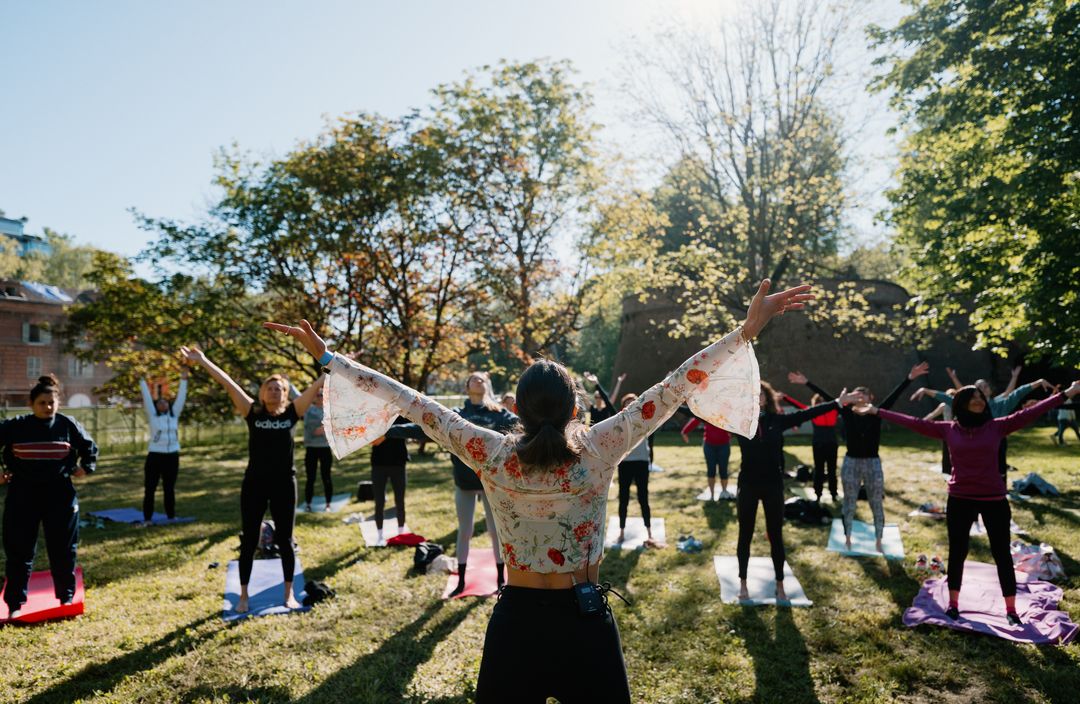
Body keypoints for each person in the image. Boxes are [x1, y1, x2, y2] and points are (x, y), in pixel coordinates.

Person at [266, 278, 810, 702]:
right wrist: (744, 334)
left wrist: (330, 358)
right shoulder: (600, 446)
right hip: (586, 622)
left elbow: (414, 403)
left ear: (516, 409)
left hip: (517, 626)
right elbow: (670, 391)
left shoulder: (491, 452)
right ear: (575, 409)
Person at [857, 381, 1080, 625]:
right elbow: (914, 423)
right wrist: (877, 411)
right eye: (973, 397)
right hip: (960, 499)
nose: (979, 400)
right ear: (962, 403)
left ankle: (1011, 609)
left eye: (981, 397)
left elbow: (1031, 412)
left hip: (994, 499)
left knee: (1001, 554)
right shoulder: (949, 429)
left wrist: (1068, 393)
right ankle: (953, 604)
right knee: (958, 552)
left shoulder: (997, 426)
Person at [180, 346, 324, 613]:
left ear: (285, 394)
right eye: (269, 387)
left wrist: (337, 365)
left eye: (279, 388)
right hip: (255, 484)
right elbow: (228, 383)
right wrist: (202, 361)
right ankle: (244, 596)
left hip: (284, 484)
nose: (274, 391)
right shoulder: (252, 412)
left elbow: (317, 384)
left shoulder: (293, 412)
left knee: (286, 540)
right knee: (248, 540)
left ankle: (288, 593)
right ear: (261, 393)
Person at [735, 382, 859, 602]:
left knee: (775, 535)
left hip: (773, 485)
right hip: (748, 485)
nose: (757, 397)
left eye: (760, 394)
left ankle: (780, 584)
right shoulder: (739, 422)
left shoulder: (777, 421)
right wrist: (679, 402)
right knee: (745, 533)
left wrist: (837, 403)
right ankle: (743, 583)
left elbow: (808, 413)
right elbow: (707, 416)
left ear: (767, 398)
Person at [789, 361, 929, 553]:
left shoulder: (876, 413)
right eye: (856, 394)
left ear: (871, 398)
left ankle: (879, 539)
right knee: (849, 502)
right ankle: (847, 537)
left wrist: (909, 378)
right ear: (851, 399)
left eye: (863, 394)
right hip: (851, 462)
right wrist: (807, 382)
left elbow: (894, 396)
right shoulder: (846, 413)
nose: (860, 397)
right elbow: (828, 398)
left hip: (872, 463)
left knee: (876, 503)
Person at [0, 375, 98, 618]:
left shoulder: (67, 424)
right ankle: (14, 604)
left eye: (51, 402)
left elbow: (89, 446)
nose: (48, 407)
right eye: (42, 403)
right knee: (19, 551)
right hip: (23, 494)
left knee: (63, 549)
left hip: (60, 494)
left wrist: (86, 466)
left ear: (58, 403)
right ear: (32, 403)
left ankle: (66, 599)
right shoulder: (17, 425)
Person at [920, 372, 1051, 478]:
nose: (983, 389)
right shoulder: (969, 405)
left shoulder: (1000, 404)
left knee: (999, 472)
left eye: (985, 386)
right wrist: (926, 390)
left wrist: (1038, 382)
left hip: (997, 443)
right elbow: (947, 398)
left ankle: (1000, 492)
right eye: (979, 387)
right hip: (975, 444)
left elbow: (1018, 393)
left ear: (989, 390)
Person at [138, 368, 188, 524]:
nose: (162, 403)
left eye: (165, 401)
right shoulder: (153, 416)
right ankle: (147, 519)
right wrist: (141, 379)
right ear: (156, 406)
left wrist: (184, 379)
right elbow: (146, 398)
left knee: (169, 488)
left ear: (168, 405)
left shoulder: (174, 415)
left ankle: (171, 516)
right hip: (155, 456)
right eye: (159, 402)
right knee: (150, 489)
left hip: (172, 456)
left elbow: (181, 397)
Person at [780, 390, 839, 502]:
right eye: (819, 402)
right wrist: (786, 397)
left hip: (826, 443)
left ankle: (828, 493)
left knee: (826, 469)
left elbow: (797, 405)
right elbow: (798, 405)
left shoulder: (828, 411)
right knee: (824, 469)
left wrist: (786, 397)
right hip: (824, 443)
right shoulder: (818, 411)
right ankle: (824, 493)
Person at [614, 393, 657, 545]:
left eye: (634, 402)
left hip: (641, 463)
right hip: (625, 463)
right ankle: (621, 531)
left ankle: (649, 532)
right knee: (623, 498)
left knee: (643, 498)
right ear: (623, 407)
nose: (631, 405)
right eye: (628, 403)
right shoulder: (620, 421)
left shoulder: (646, 420)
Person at [369, 416, 411, 541]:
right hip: (379, 464)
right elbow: (372, 439)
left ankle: (401, 532)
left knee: (400, 500)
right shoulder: (376, 415)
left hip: (398, 463)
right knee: (379, 501)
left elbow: (410, 430)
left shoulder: (402, 416)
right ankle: (379, 534)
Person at [681, 415, 732, 500]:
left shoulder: (725, 411)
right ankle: (711, 495)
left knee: (723, 469)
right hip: (709, 445)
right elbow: (696, 420)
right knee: (711, 470)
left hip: (724, 445)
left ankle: (724, 491)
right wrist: (684, 432)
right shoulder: (706, 411)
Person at [302, 386, 334, 512]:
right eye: (317, 395)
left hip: (325, 448)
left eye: (321, 395)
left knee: (326, 477)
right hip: (311, 449)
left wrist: (325, 429)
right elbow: (297, 396)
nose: (319, 397)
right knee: (310, 478)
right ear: (314, 397)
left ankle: (328, 505)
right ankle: (308, 504)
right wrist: (287, 382)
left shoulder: (329, 410)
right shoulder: (307, 410)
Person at [912, 387, 956, 475]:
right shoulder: (944, 405)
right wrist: (921, 421)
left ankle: (949, 469)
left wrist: (922, 421)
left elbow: (932, 415)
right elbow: (932, 415)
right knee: (948, 451)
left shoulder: (952, 406)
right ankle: (949, 469)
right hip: (950, 431)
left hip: (949, 431)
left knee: (950, 451)